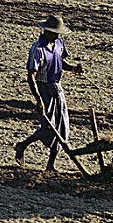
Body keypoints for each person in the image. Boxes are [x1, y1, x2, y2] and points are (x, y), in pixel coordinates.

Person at [15, 14, 82, 172]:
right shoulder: (37, 49)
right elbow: (31, 76)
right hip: (44, 88)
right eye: (55, 32)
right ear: (46, 31)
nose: (58, 35)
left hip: (57, 88)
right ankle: (22, 145)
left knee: (62, 127)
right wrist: (38, 99)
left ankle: (50, 165)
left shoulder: (59, 43)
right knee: (50, 127)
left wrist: (73, 68)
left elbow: (61, 62)